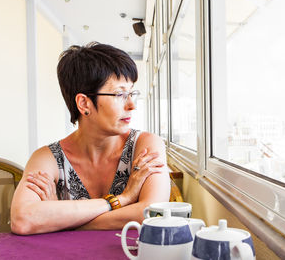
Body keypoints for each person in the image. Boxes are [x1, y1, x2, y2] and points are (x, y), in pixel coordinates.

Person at [11, 42, 170, 235]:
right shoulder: (47, 158)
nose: (131, 105)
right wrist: (123, 199)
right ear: (84, 103)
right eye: (120, 94)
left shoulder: (145, 146)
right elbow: (22, 220)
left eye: (131, 93)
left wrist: (59, 220)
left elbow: (153, 213)